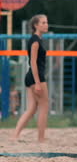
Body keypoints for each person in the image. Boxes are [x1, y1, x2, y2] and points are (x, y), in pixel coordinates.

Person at [11, 14, 49, 142]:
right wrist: (38, 83)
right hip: (36, 77)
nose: (46, 25)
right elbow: (33, 62)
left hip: (31, 76)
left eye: (46, 22)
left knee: (32, 109)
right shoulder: (35, 41)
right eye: (43, 23)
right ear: (35, 25)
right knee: (44, 107)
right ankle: (41, 138)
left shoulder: (37, 39)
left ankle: (15, 135)